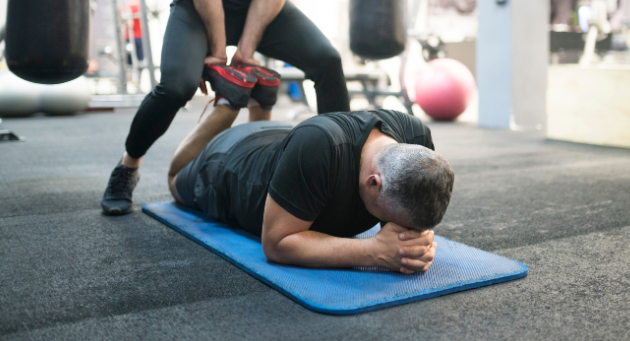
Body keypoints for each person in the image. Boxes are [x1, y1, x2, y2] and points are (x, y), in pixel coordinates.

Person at [101, 0, 351, 215]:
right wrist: (219, 56)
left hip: (260, 3)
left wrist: (245, 51)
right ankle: (128, 165)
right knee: (176, 87)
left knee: (328, 61)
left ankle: (343, 170)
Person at [167, 103, 455, 274]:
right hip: (229, 162)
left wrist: (416, 243)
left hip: (286, 144)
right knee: (174, 179)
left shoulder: (416, 137)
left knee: (294, 156)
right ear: (374, 182)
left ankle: (261, 98)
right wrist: (374, 251)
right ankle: (229, 104)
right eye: (400, 224)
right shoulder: (318, 149)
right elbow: (276, 244)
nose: (403, 231)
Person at [121, 0, 144, 66]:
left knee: (130, 61)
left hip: (129, 37)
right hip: (138, 36)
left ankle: (131, 77)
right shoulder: (141, 6)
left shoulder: (125, 6)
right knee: (140, 60)